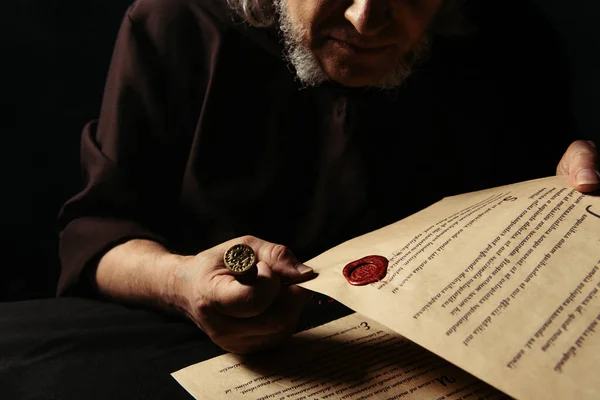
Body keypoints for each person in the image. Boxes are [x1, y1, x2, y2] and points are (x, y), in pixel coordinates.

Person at [1, 0, 597, 398]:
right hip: (203, 347)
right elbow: (97, 234)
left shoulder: (507, 35)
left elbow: (546, 184)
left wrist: (575, 182)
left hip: (433, 364)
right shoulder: (177, 20)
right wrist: (182, 282)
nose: (366, 21)